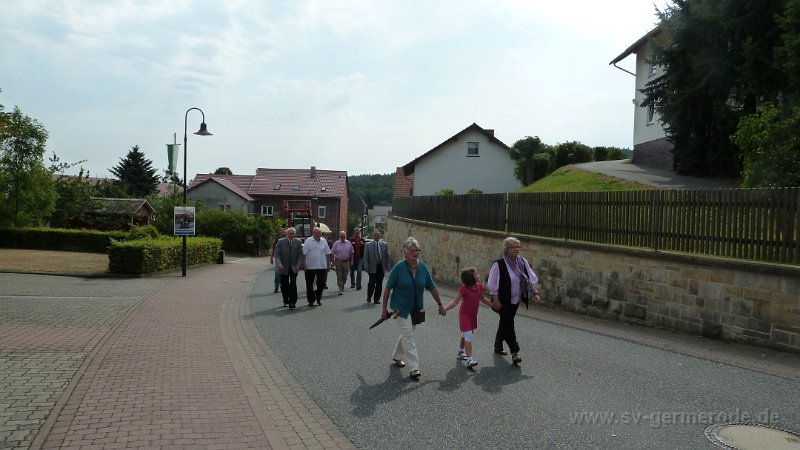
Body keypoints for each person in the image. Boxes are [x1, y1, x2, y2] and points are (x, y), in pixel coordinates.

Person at [381, 237, 445, 379]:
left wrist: (440, 305)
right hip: (399, 308)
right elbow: (387, 289)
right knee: (408, 335)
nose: (416, 253)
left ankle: (397, 356)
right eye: (412, 250)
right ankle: (414, 368)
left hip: (415, 308)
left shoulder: (422, 267)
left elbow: (432, 287)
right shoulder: (398, 268)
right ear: (405, 253)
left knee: (407, 334)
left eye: (418, 250)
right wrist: (384, 309)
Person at [486, 237, 542, 364]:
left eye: (518, 247)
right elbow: (492, 283)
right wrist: (496, 300)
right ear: (506, 249)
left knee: (505, 321)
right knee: (509, 324)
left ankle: (498, 346)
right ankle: (514, 351)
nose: (516, 249)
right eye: (513, 247)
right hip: (502, 300)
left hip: (515, 299)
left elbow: (530, 277)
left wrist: (535, 293)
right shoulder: (499, 264)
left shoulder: (522, 262)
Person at [442, 267, 493, 369]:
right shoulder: (463, 289)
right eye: (476, 274)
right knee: (468, 336)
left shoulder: (479, 287)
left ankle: (460, 351)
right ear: (471, 277)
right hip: (464, 315)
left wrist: (493, 305)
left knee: (465, 334)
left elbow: (482, 298)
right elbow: (454, 302)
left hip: (473, 315)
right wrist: (444, 309)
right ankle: (470, 359)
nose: (479, 276)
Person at [273, 227, 303, 308]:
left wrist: (298, 265)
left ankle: (292, 302)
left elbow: (300, 255)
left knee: (293, 283)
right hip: (283, 267)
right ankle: (285, 300)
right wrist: (279, 264)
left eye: (293, 234)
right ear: (286, 234)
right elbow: (277, 255)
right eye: (290, 233)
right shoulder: (280, 242)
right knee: (284, 284)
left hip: (294, 267)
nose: (292, 235)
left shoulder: (298, 242)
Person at [303, 227, 332, 306]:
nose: (318, 235)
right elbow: (304, 254)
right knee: (309, 284)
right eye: (317, 233)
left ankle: (318, 297)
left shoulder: (324, 241)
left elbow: (327, 253)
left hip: (322, 266)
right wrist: (304, 264)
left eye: (319, 233)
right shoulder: (308, 241)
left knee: (322, 283)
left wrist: (328, 264)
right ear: (313, 233)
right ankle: (311, 300)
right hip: (310, 266)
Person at [363, 230, 391, 304]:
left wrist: (388, 265)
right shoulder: (368, 245)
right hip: (372, 267)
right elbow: (365, 257)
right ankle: (369, 296)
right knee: (372, 283)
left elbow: (387, 256)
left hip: (381, 267)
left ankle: (376, 299)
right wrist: (365, 266)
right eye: (375, 235)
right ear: (373, 236)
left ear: (380, 236)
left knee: (379, 283)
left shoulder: (384, 244)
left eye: (378, 235)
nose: (376, 236)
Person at [330, 230, 354, 295]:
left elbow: (351, 252)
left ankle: (342, 283)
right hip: (338, 261)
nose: (343, 237)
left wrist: (351, 261)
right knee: (339, 275)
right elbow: (332, 253)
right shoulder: (336, 243)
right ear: (339, 236)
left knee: (345, 276)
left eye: (344, 236)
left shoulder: (349, 243)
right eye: (342, 236)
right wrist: (333, 262)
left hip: (346, 261)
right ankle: (340, 288)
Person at [270, 228, 286, 293]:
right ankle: (276, 286)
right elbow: (273, 250)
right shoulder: (276, 241)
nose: (284, 233)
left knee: (284, 274)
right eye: (283, 232)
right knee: (277, 273)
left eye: (285, 232)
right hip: (278, 259)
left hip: (286, 259)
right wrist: (271, 258)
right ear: (281, 233)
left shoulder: (288, 240)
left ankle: (282, 286)